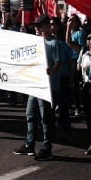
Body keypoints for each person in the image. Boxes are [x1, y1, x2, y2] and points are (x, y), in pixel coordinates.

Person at [15, 14, 61, 160]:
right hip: (35, 85)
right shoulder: (35, 42)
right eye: (36, 26)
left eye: (40, 26)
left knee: (46, 118)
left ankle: (47, 147)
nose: (37, 29)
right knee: (30, 115)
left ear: (48, 26)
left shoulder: (54, 43)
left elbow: (58, 64)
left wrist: (51, 70)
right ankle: (30, 144)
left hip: (47, 87)